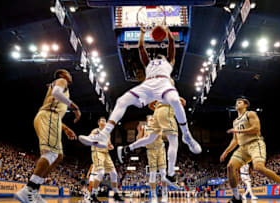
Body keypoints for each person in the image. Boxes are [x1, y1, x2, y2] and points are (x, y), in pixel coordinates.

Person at [79, 26, 201, 155]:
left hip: (163, 82)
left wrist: (168, 33)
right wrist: (142, 34)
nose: (158, 58)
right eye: (157, 57)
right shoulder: (149, 63)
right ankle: (104, 135)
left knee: (175, 100)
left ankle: (186, 135)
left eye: (160, 56)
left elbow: (171, 46)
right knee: (122, 100)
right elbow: (141, 48)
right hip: (148, 84)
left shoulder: (169, 61)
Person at [15, 69, 81, 203]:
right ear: (62, 75)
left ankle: (34, 190)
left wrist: (66, 128)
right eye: (67, 73)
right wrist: (74, 107)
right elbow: (56, 93)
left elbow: (55, 105)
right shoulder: (61, 81)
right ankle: (28, 189)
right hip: (49, 116)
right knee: (51, 154)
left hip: (53, 119)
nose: (70, 75)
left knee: (58, 156)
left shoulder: (62, 87)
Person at [220, 98, 280, 203]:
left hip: (255, 143)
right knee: (230, 166)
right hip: (243, 148)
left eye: (240, 102)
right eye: (236, 103)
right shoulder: (235, 122)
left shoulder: (250, 114)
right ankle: (237, 198)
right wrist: (226, 151)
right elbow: (235, 140)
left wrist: (238, 130)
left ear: (245, 104)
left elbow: (256, 128)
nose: (237, 104)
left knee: (258, 167)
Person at [117, 79, 184, 187]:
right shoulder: (169, 89)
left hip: (159, 116)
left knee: (150, 138)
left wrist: (157, 105)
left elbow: (151, 104)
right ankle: (170, 174)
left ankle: (126, 148)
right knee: (173, 141)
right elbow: (181, 102)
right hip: (164, 114)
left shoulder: (159, 93)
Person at [80, 117, 124, 202]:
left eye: (105, 120)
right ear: (99, 123)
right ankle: (93, 194)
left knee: (114, 173)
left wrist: (111, 146)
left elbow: (109, 144)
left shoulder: (108, 133)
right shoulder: (95, 131)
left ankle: (115, 194)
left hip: (106, 153)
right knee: (101, 172)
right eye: (102, 120)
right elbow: (89, 139)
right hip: (97, 151)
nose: (104, 122)